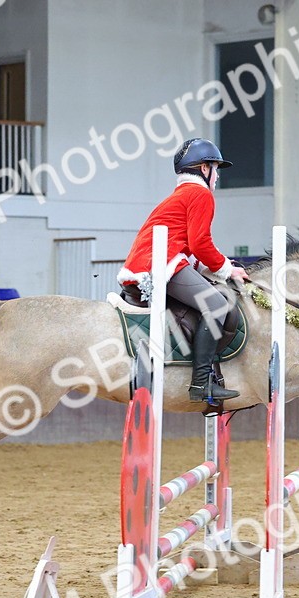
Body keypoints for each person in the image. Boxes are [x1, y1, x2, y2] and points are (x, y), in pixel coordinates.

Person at [117, 138, 249, 404]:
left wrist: (219, 267)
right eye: (216, 168)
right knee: (218, 305)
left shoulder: (182, 195)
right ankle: (201, 383)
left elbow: (189, 246)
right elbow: (201, 244)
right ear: (203, 168)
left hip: (152, 263)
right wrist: (226, 271)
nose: (217, 175)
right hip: (160, 265)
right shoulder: (200, 194)